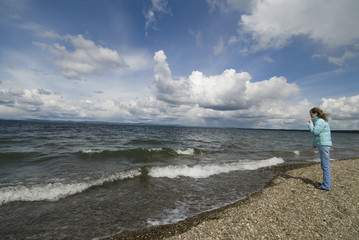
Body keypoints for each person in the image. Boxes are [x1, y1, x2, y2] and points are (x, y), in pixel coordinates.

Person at [308, 107, 332, 191]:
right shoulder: (319, 121)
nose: (311, 117)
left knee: (325, 165)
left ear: (316, 114)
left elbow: (315, 132)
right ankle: (326, 184)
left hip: (324, 145)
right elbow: (318, 136)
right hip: (323, 145)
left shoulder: (320, 121)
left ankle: (326, 185)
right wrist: (314, 144)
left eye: (311, 115)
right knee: (325, 165)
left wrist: (310, 124)